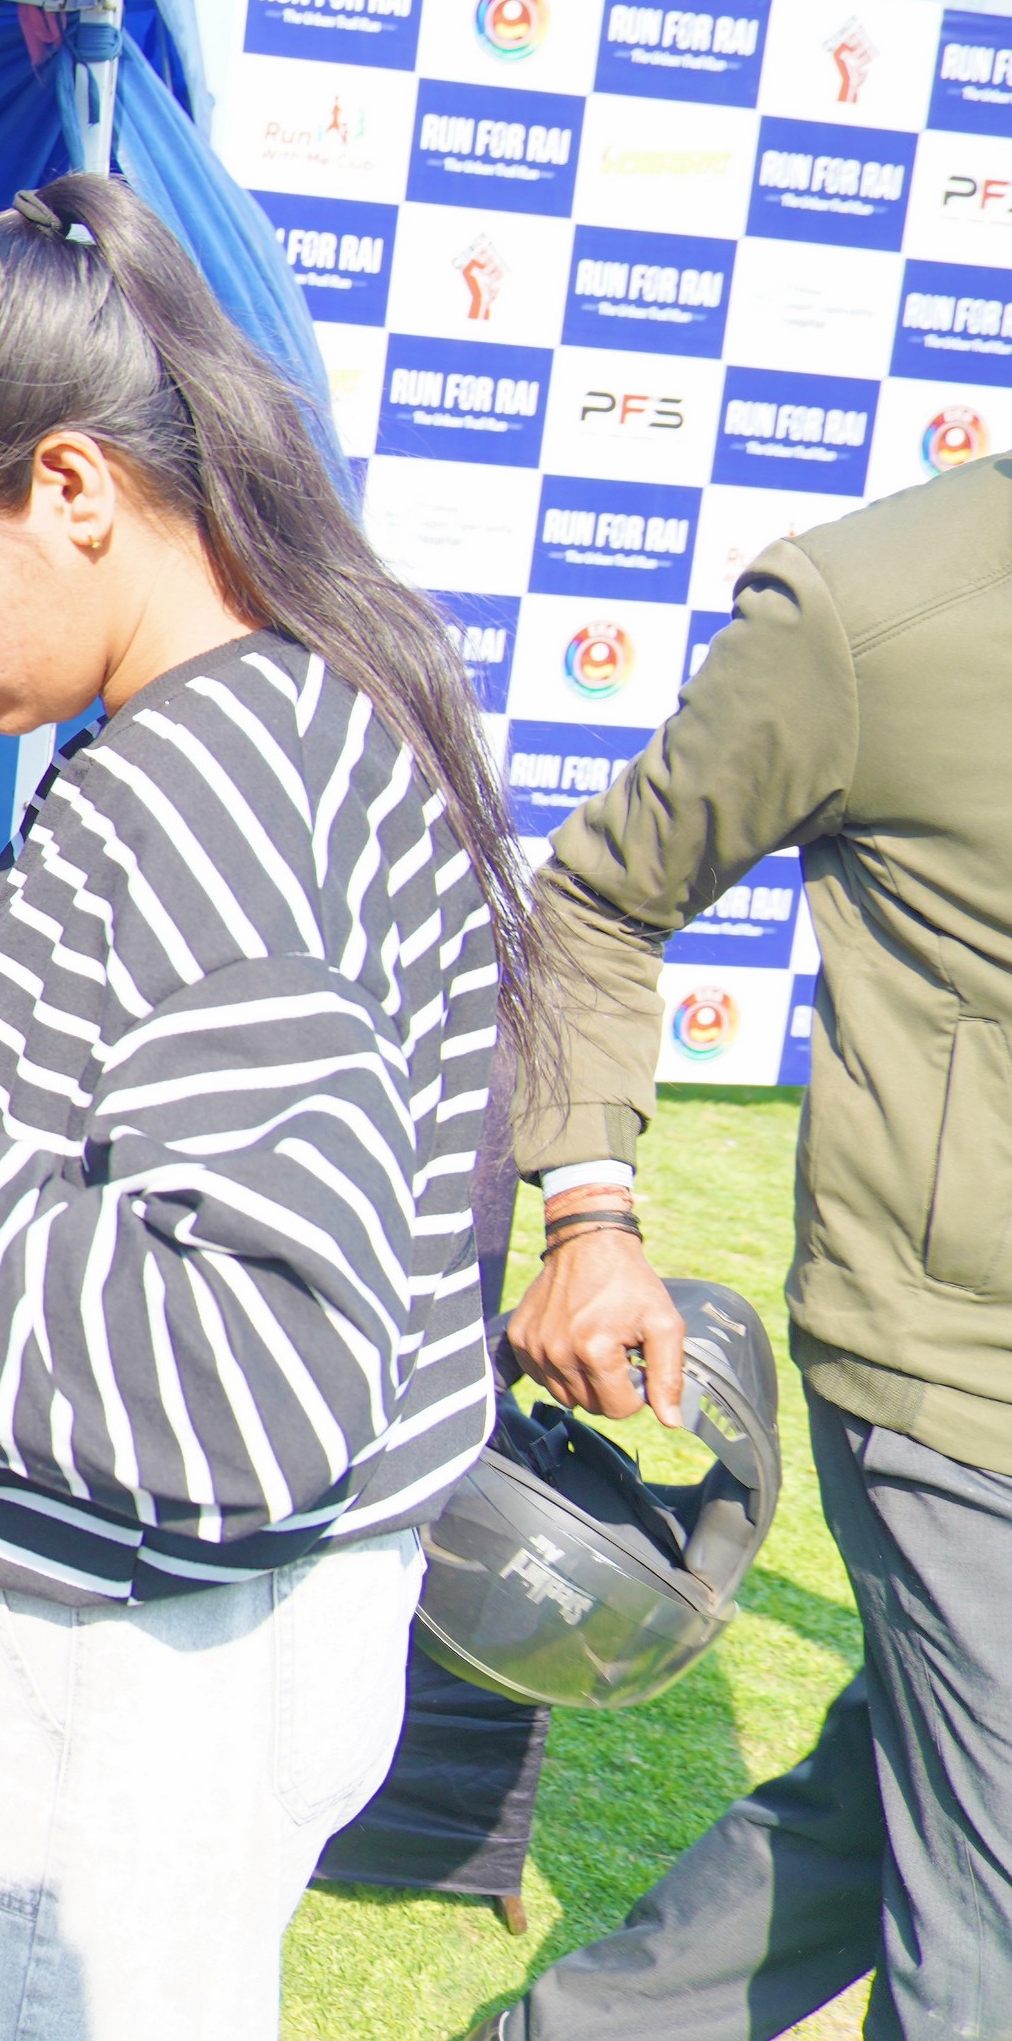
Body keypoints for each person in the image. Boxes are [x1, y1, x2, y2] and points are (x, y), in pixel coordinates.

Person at [0, 173, 524, 2041]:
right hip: (155, 1670)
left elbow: (251, 1364)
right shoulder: (265, 728)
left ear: (70, 486)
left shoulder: (215, 783)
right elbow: (167, 1098)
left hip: (109, 1691)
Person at [471, 449, 1012, 2035]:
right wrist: (591, 1212)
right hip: (956, 1386)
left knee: (899, 1802)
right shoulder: (874, 607)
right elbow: (596, 902)